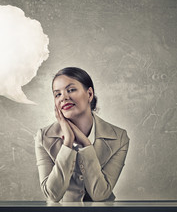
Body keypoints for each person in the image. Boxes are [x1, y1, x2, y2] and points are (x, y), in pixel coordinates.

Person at [34, 67, 129, 202]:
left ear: (89, 94)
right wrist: (67, 143)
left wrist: (86, 145)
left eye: (71, 90)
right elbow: (52, 195)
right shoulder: (44, 137)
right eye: (57, 94)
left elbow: (100, 194)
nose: (64, 97)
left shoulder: (119, 138)